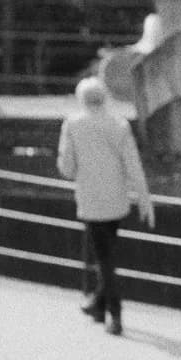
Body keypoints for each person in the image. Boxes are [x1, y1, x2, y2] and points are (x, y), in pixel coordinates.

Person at [57, 77, 154, 336]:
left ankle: (115, 313)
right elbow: (133, 165)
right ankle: (98, 306)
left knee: (104, 259)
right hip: (116, 201)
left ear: (81, 99)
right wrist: (144, 199)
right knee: (106, 254)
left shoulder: (73, 125)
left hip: (91, 201)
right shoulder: (119, 124)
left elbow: (66, 168)